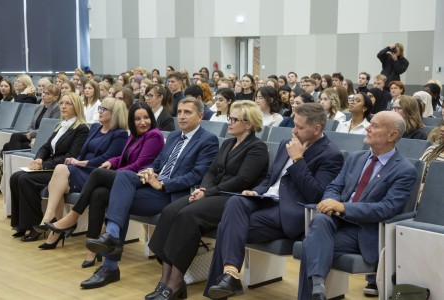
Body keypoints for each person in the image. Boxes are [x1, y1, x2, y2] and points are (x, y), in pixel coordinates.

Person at [205, 103, 344, 299]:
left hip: (288, 211)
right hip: (265, 200)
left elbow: (316, 195)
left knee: (225, 227)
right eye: (294, 125)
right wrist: (256, 191)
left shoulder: (331, 154)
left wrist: (298, 160)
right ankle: (230, 274)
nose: (294, 130)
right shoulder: (286, 142)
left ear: (317, 129)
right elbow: (270, 179)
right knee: (236, 202)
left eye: (300, 127)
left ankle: (226, 281)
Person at [81, 97, 219, 289]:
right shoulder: (173, 136)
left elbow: (197, 175)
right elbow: (158, 162)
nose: (182, 116)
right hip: (153, 187)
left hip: (172, 195)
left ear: (200, 115)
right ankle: (111, 250)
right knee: (115, 185)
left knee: (116, 190)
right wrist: (150, 171)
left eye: (187, 112)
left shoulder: (208, 140)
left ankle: (110, 263)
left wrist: (163, 185)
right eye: (179, 112)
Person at [146, 101, 269, 300]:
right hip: (213, 192)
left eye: (234, 119)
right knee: (170, 211)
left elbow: (242, 180)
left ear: (248, 124)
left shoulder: (257, 147)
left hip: (231, 198)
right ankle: (164, 279)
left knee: (187, 216)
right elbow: (211, 170)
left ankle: (176, 282)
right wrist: (204, 188)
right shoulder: (229, 143)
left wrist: (209, 192)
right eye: (230, 118)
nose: (229, 122)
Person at [297, 111, 417, 300]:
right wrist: (330, 202)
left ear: (392, 135)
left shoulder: (404, 170)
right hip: (336, 221)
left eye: (375, 126)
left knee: (309, 244)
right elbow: (334, 187)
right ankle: (318, 283)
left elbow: (387, 208)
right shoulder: (356, 157)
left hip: (365, 230)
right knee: (319, 221)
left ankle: (316, 286)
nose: (368, 128)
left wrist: (344, 207)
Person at [45, 102, 164, 266]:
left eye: (146, 117)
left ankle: (73, 216)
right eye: (137, 119)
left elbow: (139, 165)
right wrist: (112, 161)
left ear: (152, 118)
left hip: (137, 180)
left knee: (98, 174)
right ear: (132, 121)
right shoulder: (135, 135)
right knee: (98, 194)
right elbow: (124, 157)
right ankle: (92, 249)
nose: (143, 122)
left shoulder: (154, 135)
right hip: (126, 176)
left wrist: (115, 172)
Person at [33, 97, 129, 247]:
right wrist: (75, 161)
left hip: (95, 174)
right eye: (100, 108)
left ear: (115, 113)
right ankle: (57, 226)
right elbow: (83, 152)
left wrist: (79, 163)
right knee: (59, 184)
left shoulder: (120, 134)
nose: (100, 111)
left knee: (59, 174)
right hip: (80, 169)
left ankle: (51, 221)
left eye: (104, 109)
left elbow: (106, 159)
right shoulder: (96, 128)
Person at [10, 93, 90, 241]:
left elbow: (71, 155)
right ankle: (22, 224)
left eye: (68, 103)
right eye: (61, 103)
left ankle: (36, 227)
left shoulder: (82, 128)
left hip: (64, 172)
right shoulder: (60, 125)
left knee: (26, 180)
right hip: (50, 166)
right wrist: (39, 159)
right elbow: (46, 146)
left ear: (77, 106)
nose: (63, 106)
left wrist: (44, 165)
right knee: (15, 177)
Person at [3, 84, 61, 152]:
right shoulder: (39, 107)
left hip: (44, 138)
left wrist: (32, 135)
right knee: (11, 141)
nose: (44, 95)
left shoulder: (56, 108)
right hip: (32, 136)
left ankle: (15, 160)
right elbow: (30, 125)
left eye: (47, 94)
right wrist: (32, 136)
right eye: (43, 92)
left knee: (9, 144)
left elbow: (49, 129)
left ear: (55, 97)